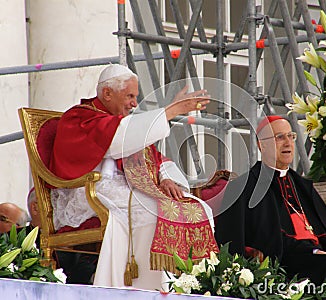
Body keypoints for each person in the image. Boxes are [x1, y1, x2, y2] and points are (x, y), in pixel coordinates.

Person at [48, 64, 215, 289]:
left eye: (135, 97)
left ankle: (190, 285)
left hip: (128, 188)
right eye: (130, 96)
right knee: (152, 210)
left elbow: (155, 157)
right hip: (90, 190)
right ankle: (145, 287)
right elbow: (117, 140)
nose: (134, 103)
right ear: (107, 93)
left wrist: (165, 178)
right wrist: (170, 111)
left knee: (198, 207)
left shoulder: (123, 124)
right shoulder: (79, 118)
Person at [215, 116, 326, 285]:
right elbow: (257, 243)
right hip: (286, 267)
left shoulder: (303, 186)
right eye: (280, 137)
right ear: (262, 144)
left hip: (324, 258)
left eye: (291, 136)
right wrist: (319, 253)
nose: (288, 143)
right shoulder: (243, 187)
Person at [27, 188, 98, 284]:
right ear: (35, 208)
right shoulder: (15, 237)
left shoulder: (73, 235)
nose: (61, 209)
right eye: (55, 201)